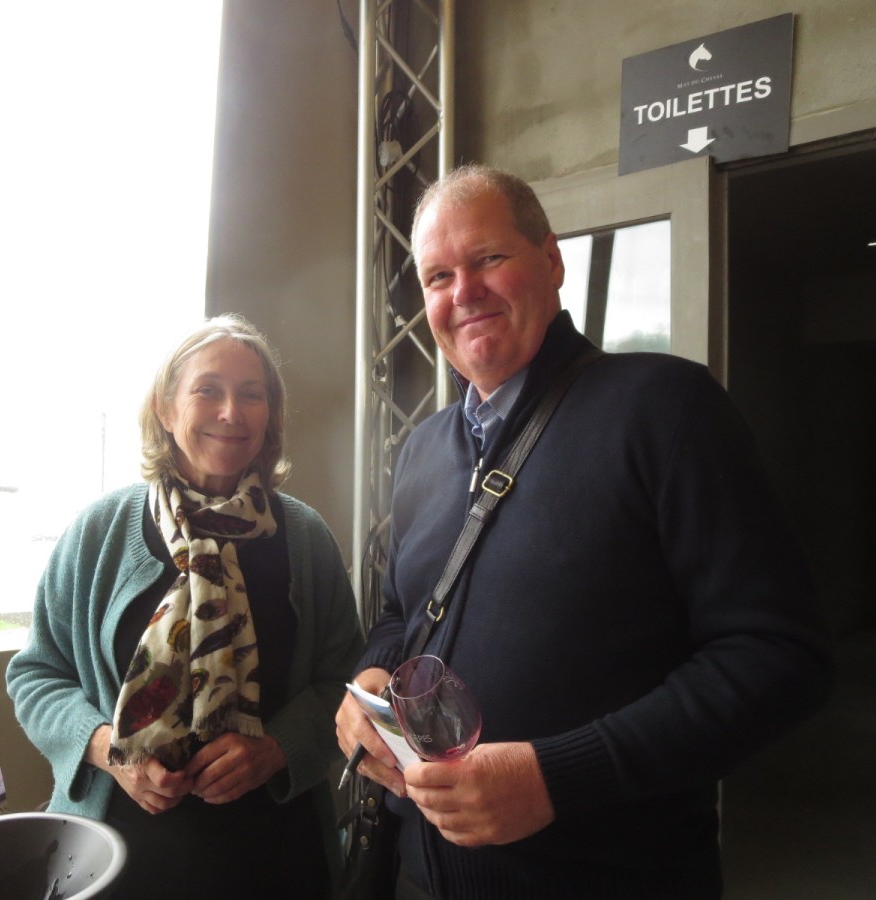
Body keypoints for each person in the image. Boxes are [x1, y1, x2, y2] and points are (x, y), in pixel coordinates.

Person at [334, 164, 833, 899]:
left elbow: (779, 656)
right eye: (438, 276)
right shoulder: (422, 450)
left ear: (552, 260)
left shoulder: (665, 408)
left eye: (489, 258)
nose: (463, 291)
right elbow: (399, 615)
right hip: (420, 876)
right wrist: (373, 679)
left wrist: (556, 777)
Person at [8, 314, 364, 899]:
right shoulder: (99, 532)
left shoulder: (305, 538)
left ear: (270, 416)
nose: (231, 412)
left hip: (277, 860)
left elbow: (346, 684)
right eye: (208, 390)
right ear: (166, 410)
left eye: (252, 395)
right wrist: (109, 750)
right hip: (114, 864)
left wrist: (277, 748)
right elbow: (36, 675)